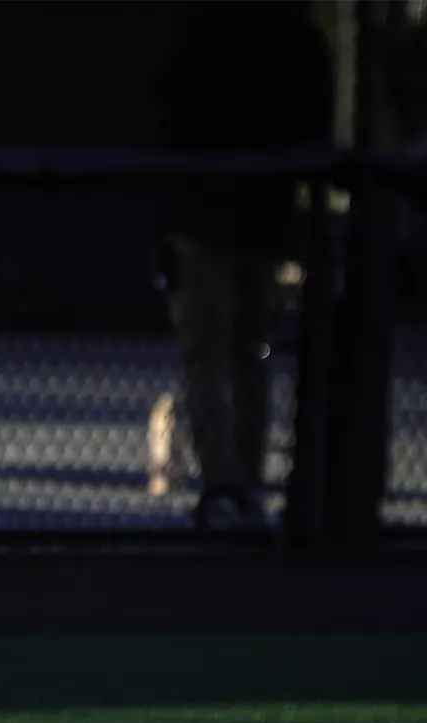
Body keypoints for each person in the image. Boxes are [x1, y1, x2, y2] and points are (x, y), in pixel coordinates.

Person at [155, 0, 332, 532]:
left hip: (213, 217)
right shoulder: (292, 32)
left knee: (217, 354)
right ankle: (241, 485)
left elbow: (171, 114)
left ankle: (227, 487)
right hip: (260, 216)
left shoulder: (205, 29)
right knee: (247, 354)